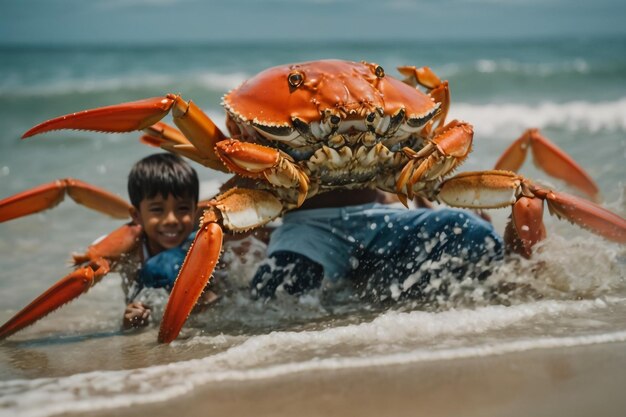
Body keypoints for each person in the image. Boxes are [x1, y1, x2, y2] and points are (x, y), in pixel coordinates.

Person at [250, 189, 504, 303]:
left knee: (471, 232)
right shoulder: (277, 108)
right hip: (307, 227)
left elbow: (409, 168)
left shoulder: (371, 94)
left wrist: (431, 212)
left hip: (375, 217)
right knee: (274, 292)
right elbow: (247, 190)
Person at [120, 153, 206, 329]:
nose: (171, 219)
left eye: (182, 208)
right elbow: (132, 299)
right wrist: (131, 320)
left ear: (194, 211)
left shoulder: (202, 242)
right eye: (157, 210)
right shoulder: (131, 254)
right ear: (137, 215)